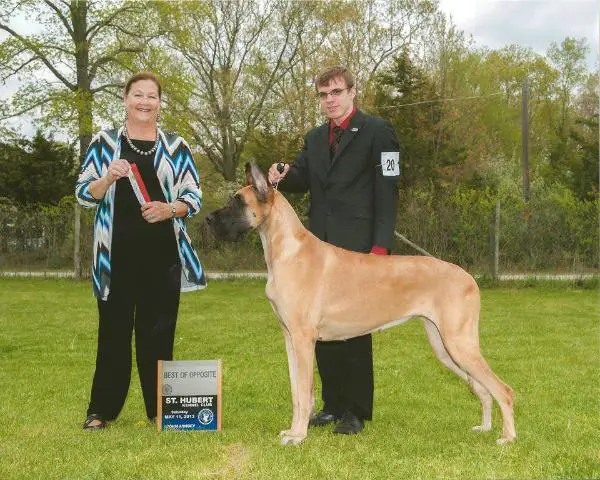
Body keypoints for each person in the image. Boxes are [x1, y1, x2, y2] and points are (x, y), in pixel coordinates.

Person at [268, 66, 400, 435]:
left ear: (352, 92)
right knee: (316, 328)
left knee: (356, 329)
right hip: (319, 248)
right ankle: (332, 404)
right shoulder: (314, 138)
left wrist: (380, 246)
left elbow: (389, 190)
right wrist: (281, 173)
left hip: (360, 246)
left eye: (336, 92)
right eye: (323, 95)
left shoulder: (378, 131)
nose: (330, 100)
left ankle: (356, 410)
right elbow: (299, 181)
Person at [76, 71, 206, 430]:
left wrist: (170, 208)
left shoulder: (177, 146)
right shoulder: (103, 144)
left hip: (163, 256)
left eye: (152, 96)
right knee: (113, 334)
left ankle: (161, 410)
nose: (145, 102)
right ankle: (101, 410)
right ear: (125, 99)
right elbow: (84, 194)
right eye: (138, 95)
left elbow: (194, 196)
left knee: (159, 333)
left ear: (160, 103)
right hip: (114, 256)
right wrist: (107, 178)